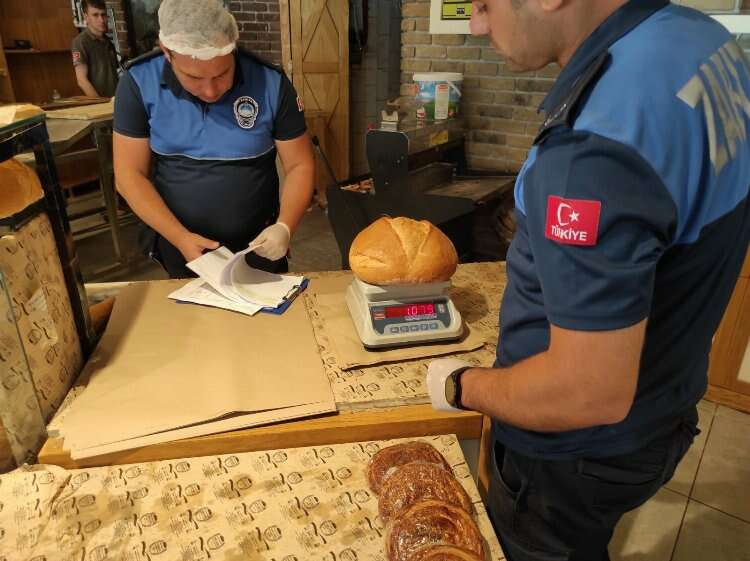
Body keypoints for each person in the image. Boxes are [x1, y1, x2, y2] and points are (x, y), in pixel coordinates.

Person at [426, 1, 750, 560]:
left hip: (570, 458)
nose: (476, 25)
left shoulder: (592, 153)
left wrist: (460, 386)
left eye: (482, 4)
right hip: (663, 408)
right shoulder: (702, 39)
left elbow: (585, 391)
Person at [112, 0, 314, 278]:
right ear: (167, 52)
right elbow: (128, 175)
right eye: (194, 78)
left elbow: (300, 165)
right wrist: (180, 237)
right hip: (178, 242)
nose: (210, 91)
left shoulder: (270, 82)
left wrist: (285, 226)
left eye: (222, 74)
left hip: (259, 244)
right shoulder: (138, 82)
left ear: (233, 47)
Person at [72, 0, 120, 97]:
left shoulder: (108, 42)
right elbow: (81, 80)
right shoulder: (80, 42)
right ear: (86, 17)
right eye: (95, 15)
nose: (101, 20)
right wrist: (102, 103)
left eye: (103, 15)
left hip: (115, 100)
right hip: (102, 102)